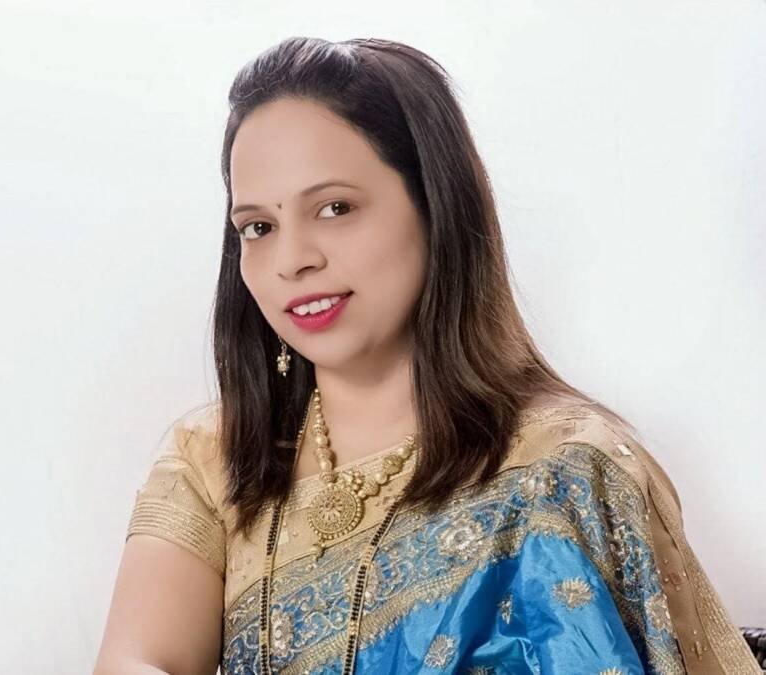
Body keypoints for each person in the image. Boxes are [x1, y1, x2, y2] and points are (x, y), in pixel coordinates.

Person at [94, 37, 759, 675]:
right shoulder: (214, 456)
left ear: (435, 205)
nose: (291, 259)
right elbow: (137, 659)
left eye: (334, 207)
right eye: (258, 227)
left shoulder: (564, 473)